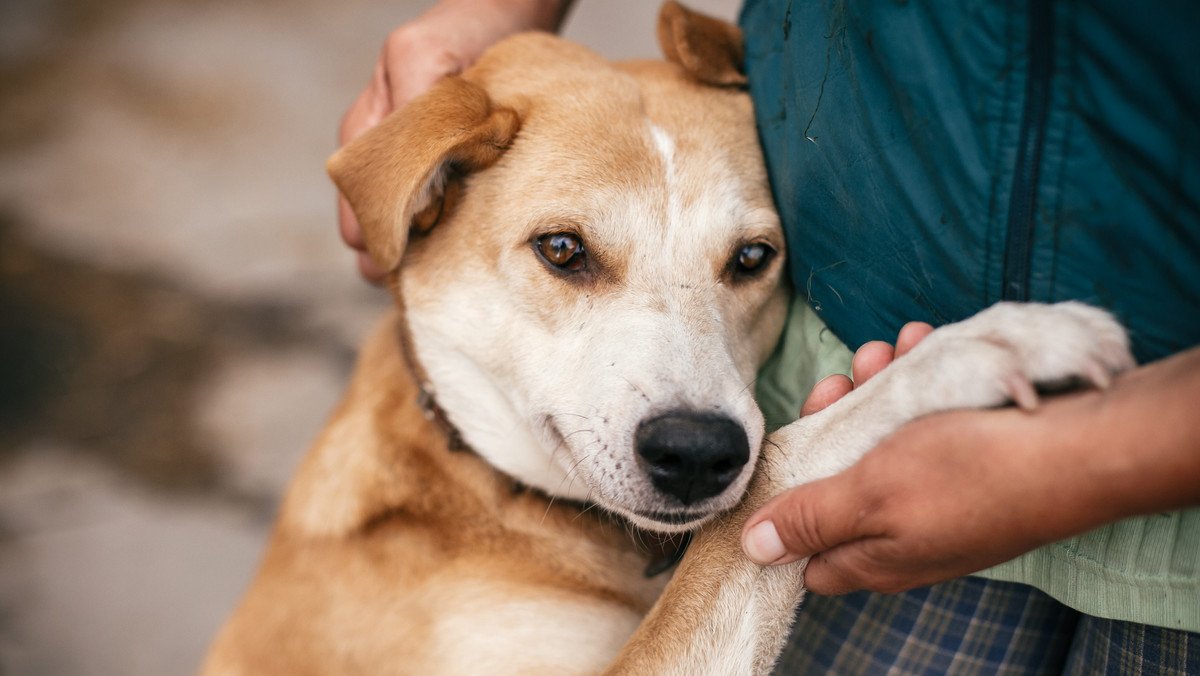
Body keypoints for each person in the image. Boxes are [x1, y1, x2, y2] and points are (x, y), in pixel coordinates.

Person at [335, 0, 1200, 672]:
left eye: (745, 258)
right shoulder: (375, 563)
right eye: (568, 253)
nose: (688, 410)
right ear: (427, 198)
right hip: (877, 409)